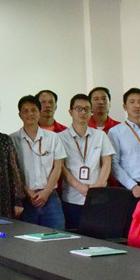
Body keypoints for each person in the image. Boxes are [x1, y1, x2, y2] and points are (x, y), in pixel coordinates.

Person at [58, 94, 115, 229]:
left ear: (91, 111)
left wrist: (99, 185)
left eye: (86, 109)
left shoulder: (100, 136)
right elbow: (61, 166)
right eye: (78, 109)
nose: (83, 112)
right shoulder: (60, 137)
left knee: (96, 236)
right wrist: (78, 186)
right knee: (74, 236)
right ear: (70, 112)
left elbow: (107, 162)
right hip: (72, 197)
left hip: (97, 197)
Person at [10, 95, 67, 229]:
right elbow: (13, 171)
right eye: (25, 111)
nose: (30, 114)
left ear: (40, 112)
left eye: (33, 110)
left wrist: (46, 192)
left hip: (50, 197)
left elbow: (58, 166)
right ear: (20, 115)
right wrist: (27, 191)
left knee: (57, 236)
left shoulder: (53, 138)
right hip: (25, 198)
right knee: (26, 237)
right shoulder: (12, 139)